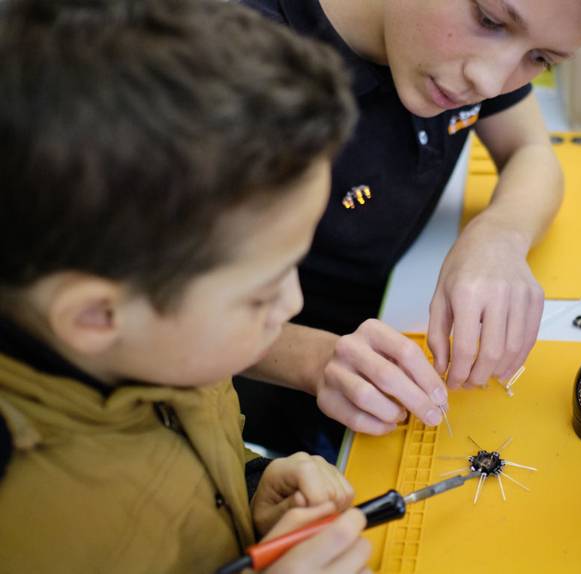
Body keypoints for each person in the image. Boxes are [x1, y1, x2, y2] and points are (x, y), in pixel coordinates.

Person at [0, 0, 370, 572]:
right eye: (261, 292)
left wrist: (250, 486)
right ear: (97, 316)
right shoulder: (27, 531)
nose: (293, 303)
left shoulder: (161, 342)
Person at [235, 0, 581, 461]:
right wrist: (313, 360)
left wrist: (499, 235)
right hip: (250, 380)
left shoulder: (463, 57)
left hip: (377, 332)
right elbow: (163, 314)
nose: (489, 82)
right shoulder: (227, 61)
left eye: (541, 58)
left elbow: (530, 150)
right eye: (489, 21)